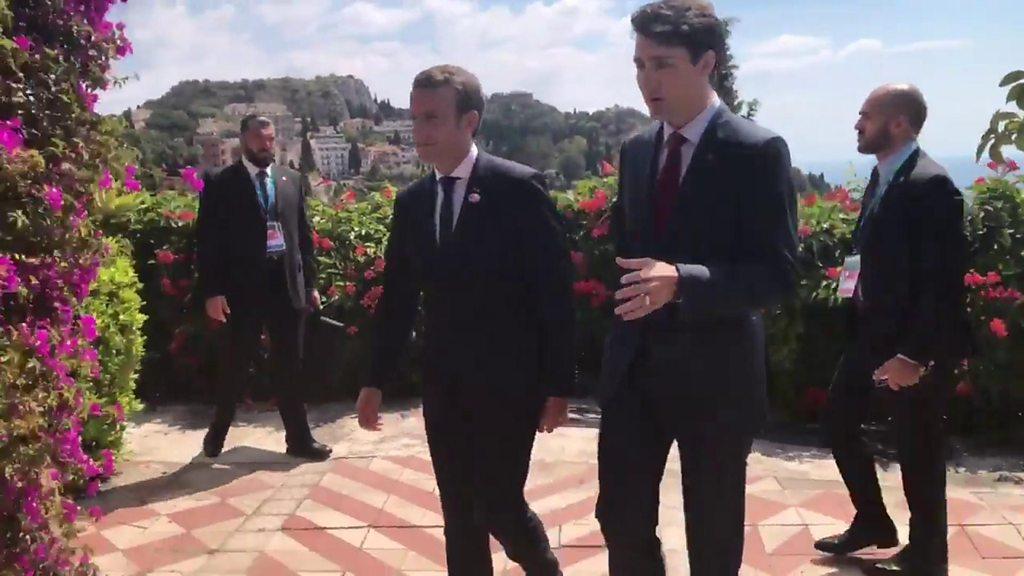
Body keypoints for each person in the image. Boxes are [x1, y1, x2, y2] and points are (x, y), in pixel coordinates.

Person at [595, 1, 798, 574]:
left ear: (706, 62)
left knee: (712, 536)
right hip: (635, 371)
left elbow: (778, 273)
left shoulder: (756, 151)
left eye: (662, 65)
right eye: (639, 64)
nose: (646, 80)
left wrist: (683, 281)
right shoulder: (636, 151)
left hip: (717, 378)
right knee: (620, 519)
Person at [355, 65, 575, 576]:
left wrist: (558, 385)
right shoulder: (413, 204)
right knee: (458, 511)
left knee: (498, 501)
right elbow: (399, 299)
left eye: (432, 118)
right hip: (445, 383)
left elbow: (553, 294)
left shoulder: (518, 190)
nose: (420, 131)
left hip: (510, 383)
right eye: (415, 119)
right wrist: (374, 380)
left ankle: (544, 569)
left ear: (469, 121)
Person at [813, 84, 970, 575]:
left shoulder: (931, 185)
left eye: (866, 115)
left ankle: (928, 553)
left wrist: (915, 355)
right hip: (871, 336)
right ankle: (874, 521)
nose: (857, 124)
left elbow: (942, 283)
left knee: (917, 448)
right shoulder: (885, 177)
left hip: (909, 346)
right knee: (838, 423)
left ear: (898, 122)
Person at [196, 114, 332, 462]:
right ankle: (217, 435)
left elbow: (303, 237)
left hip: (286, 286)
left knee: (290, 366)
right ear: (243, 140)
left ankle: (299, 440)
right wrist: (212, 291)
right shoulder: (221, 182)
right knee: (235, 365)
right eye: (259, 139)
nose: (266, 145)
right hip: (241, 291)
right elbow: (208, 241)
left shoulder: (290, 179)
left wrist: (311, 284)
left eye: (271, 139)